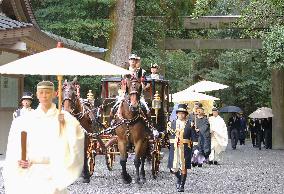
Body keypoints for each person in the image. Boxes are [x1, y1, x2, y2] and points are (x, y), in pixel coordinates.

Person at [3, 80, 84, 194]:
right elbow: (15, 144)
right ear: (36, 95)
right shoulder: (26, 119)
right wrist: (21, 159)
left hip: (55, 170)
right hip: (32, 170)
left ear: (55, 94)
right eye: (41, 92)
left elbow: (77, 139)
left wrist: (65, 125)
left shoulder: (64, 118)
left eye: (48, 92)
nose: (44, 95)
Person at [167, 104, 192, 192]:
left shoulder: (190, 124)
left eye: (183, 113)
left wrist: (196, 148)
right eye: (179, 113)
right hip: (174, 149)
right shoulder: (171, 124)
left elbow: (194, 137)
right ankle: (179, 177)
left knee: (183, 167)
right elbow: (167, 135)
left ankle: (182, 185)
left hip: (185, 149)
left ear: (185, 114)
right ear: (177, 114)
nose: (181, 115)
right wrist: (159, 134)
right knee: (173, 169)